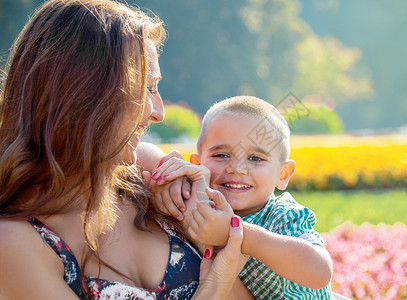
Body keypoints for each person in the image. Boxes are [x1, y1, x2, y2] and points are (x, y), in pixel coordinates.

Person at [0, 1, 249, 299]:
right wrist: (214, 285)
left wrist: (201, 219)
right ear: (84, 91)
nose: (159, 112)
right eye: (145, 87)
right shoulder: (14, 242)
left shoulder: (150, 175)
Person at [146, 96, 334, 299]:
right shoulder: (199, 206)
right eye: (221, 155)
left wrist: (235, 233)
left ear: (283, 174)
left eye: (256, 158)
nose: (237, 169)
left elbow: (320, 272)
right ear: (198, 164)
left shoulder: (281, 216)